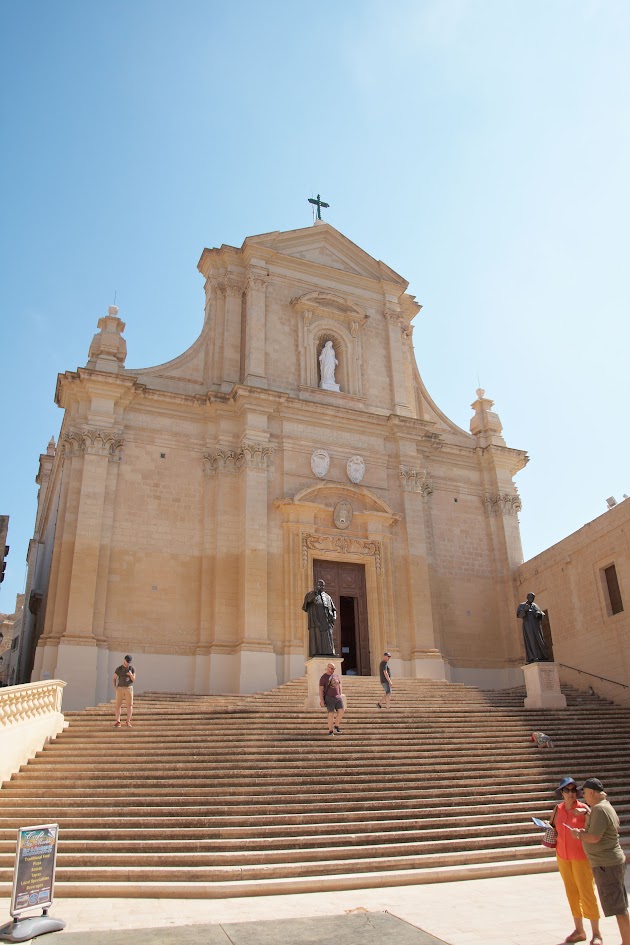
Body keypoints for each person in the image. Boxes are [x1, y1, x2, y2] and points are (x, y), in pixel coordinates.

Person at [570, 778, 630, 945]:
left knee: (618, 907)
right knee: (619, 905)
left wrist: (578, 835)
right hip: (609, 863)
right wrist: (587, 815)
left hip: (607, 864)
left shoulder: (600, 810)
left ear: (591, 793)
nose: (583, 797)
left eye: (584, 794)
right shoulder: (603, 807)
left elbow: (594, 837)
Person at [550, 776, 601, 945]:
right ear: (562, 793)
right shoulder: (557, 809)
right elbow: (554, 827)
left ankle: (596, 933)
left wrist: (586, 815)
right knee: (571, 892)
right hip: (563, 856)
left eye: (573, 790)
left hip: (581, 857)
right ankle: (579, 930)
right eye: (567, 790)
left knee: (587, 892)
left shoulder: (584, 809)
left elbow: (594, 828)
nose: (571, 794)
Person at [302, 580, 337, 656]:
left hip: (327, 622)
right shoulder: (310, 594)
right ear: (316, 586)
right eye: (320, 585)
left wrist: (334, 617)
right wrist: (312, 596)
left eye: (323, 586)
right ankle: (317, 653)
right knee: (317, 639)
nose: (321, 587)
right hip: (316, 621)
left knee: (328, 639)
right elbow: (305, 605)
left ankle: (330, 653)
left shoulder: (328, 597)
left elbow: (334, 609)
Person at [516, 592, 550, 662]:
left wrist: (539, 614)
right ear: (527, 597)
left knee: (539, 640)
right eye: (531, 597)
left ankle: (542, 656)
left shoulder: (535, 605)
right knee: (531, 640)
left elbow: (542, 614)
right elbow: (519, 615)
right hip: (528, 625)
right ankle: (533, 657)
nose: (532, 599)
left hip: (536, 625)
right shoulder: (522, 605)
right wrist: (525, 610)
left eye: (533, 597)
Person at [319, 661, 345, 735]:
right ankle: (330, 730)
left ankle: (336, 725)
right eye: (331, 668)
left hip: (337, 697)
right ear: (327, 668)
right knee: (331, 713)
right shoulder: (323, 677)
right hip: (329, 697)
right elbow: (321, 689)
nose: (332, 670)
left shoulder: (336, 676)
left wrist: (340, 694)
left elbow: (338, 685)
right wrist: (322, 700)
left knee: (341, 711)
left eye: (334, 668)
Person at [113, 654, 135, 728]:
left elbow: (133, 679)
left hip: (129, 688)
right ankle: (118, 722)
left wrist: (131, 675)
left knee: (130, 705)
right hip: (120, 688)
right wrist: (115, 687)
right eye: (126, 661)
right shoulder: (119, 669)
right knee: (118, 705)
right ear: (124, 660)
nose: (127, 663)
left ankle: (128, 721)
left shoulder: (132, 668)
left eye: (129, 662)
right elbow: (114, 678)